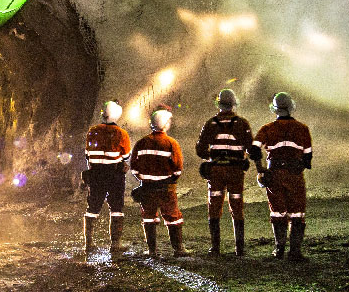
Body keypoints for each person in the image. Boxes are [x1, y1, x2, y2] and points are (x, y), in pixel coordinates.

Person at [195, 88, 258, 256]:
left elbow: (200, 149)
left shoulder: (210, 123)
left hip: (216, 171)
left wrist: (212, 156)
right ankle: (240, 248)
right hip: (236, 171)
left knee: (214, 206)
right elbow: (251, 148)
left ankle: (215, 248)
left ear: (219, 104)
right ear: (233, 105)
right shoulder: (242, 123)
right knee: (237, 206)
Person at [253, 92, 312, 260]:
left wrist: (261, 170)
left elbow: (254, 149)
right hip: (295, 174)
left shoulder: (267, 129)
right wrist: (298, 165)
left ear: (275, 109)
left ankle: (278, 249)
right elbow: (307, 157)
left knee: (277, 212)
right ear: (291, 108)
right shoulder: (303, 129)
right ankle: (295, 251)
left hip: (274, 174)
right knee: (297, 213)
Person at [130, 107, 187, 257]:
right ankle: (178, 249)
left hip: (147, 188)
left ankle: (152, 251)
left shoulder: (141, 143)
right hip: (166, 188)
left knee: (148, 217)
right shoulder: (171, 143)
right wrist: (170, 180)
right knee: (173, 218)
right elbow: (178, 169)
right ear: (165, 124)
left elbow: (134, 168)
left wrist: (143, 179)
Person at [82, 100, 132, 252]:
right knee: (116, 208)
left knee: (92, 208)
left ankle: (89, 243)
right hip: (114, 175)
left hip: (96, 173)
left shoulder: (92, 131)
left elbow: (87, 154)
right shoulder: (121, 134)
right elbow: (126, 155)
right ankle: (115, 245)